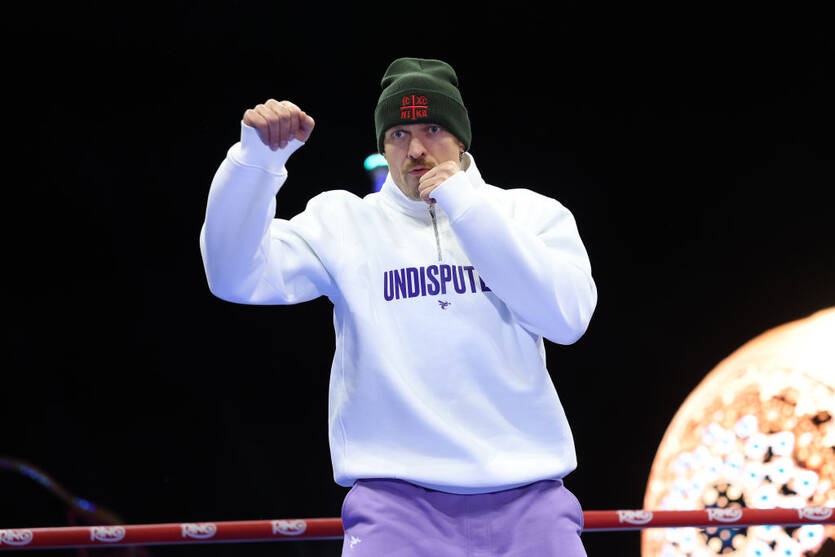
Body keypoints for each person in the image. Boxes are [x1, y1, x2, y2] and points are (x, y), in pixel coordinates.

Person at [200, 57, 598, 556]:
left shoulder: (530, 213)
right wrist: (255, 161)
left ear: (460, 138)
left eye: (432, 129)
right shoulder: (344, 222)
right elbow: (232, 275)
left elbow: (567, 320)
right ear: (383, 147)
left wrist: (467, 206)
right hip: (394, 506)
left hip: (530, 497)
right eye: (398, 134)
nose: (415, 149)